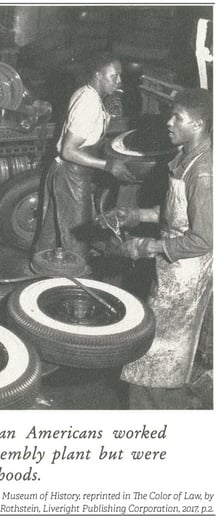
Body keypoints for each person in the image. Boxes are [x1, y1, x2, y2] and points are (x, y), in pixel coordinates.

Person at [98, 88, 213, 409]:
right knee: (158, 355)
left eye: (179, 117)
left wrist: (147, 246)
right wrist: (135, 214)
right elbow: (177, 214)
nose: (169, 122)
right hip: (171, 267)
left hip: (185, 276)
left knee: (158, 357)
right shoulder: (186, 158)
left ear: (199, 123)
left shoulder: (203, 173)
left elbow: (203, 239)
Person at [33, 53, 137, 268]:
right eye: (114, 76)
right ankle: (76, 283)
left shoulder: (89, 95)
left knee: (51, 231)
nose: (119, 82)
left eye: (119, 77)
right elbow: (69, 151)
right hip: (70, 174)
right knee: (78, 238)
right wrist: (108, 165)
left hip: (68, 174)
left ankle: (39, 272)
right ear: (98, 75)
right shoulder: (88, 103)